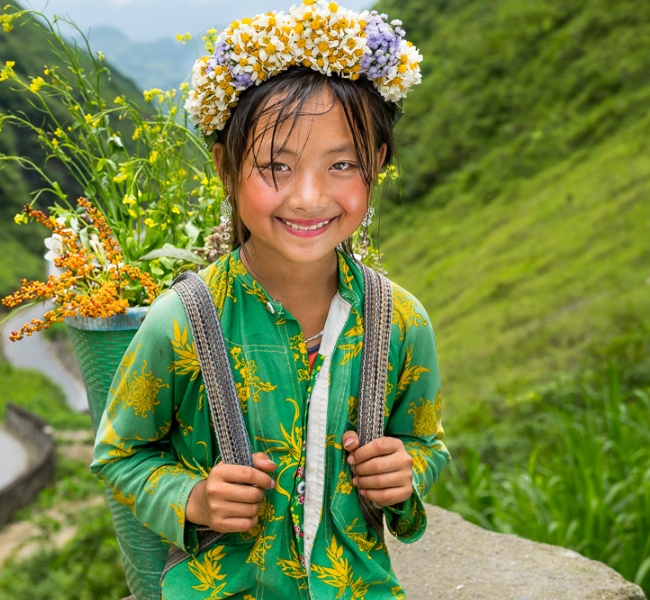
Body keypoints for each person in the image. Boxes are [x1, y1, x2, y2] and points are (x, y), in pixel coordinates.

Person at [92, 4, 449, 598]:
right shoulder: (181, 322)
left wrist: (404, 472)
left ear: (377, 165)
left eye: (342, 164)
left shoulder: (401, 321)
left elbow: (427, 443)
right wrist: (195, 498)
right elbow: (120, 453)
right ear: (225, 167)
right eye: (275, 166)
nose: (308, 197)